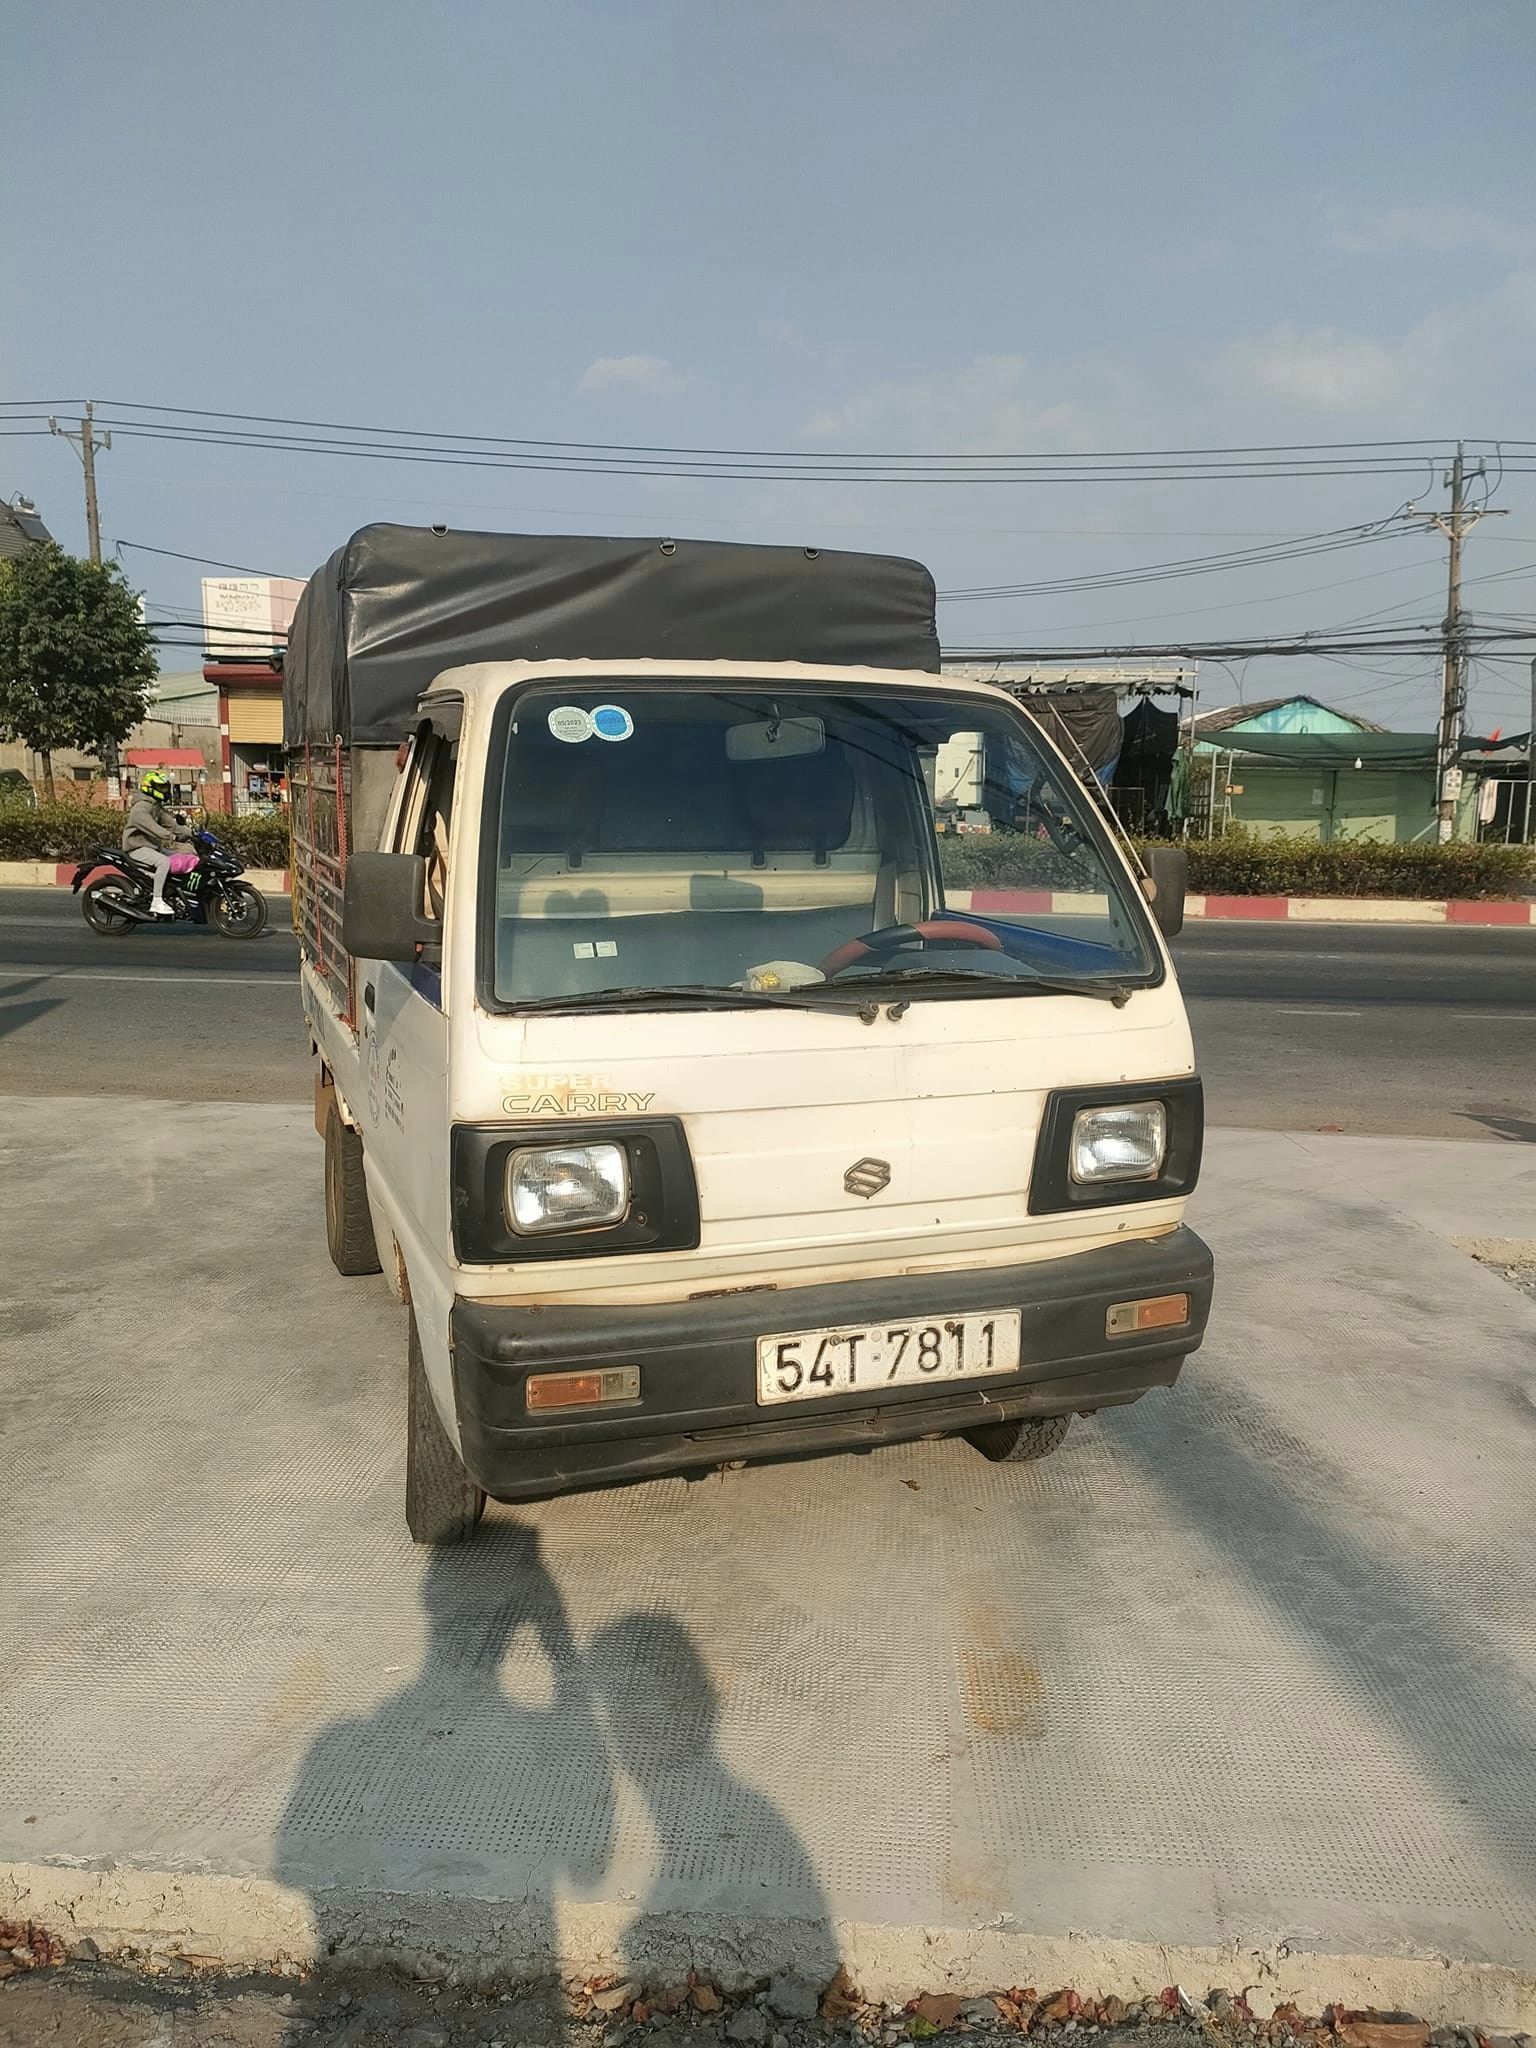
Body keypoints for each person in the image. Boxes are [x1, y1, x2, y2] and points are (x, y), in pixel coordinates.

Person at [122, 770, 183, 916]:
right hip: (137, 847)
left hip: (151, 846)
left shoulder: (155, 806)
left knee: (179, 856)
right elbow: (153, 828)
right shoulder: (141, 807)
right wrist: (171, 837)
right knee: (164, 862)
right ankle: (156, 901)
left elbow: (173, 825)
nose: (164, 791)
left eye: (165, 788)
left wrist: (194, 833)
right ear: (150, 787)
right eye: (161, 788)